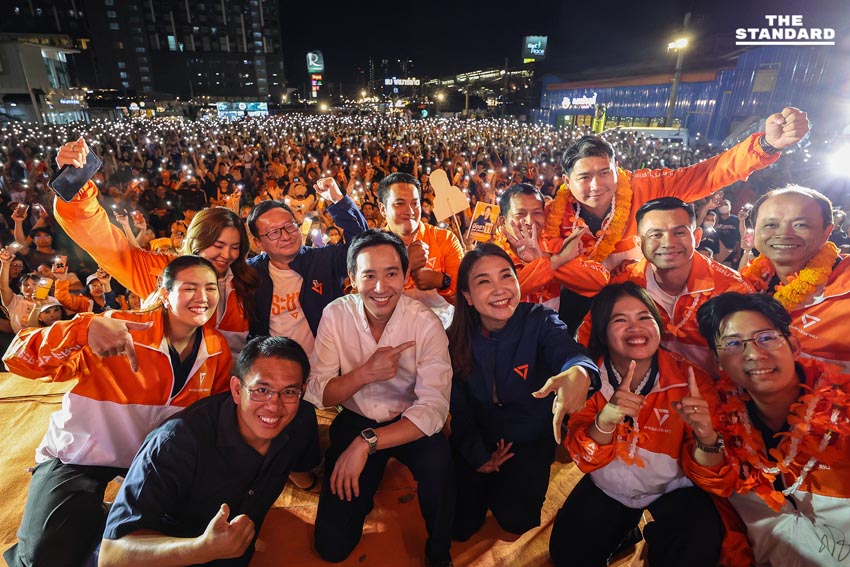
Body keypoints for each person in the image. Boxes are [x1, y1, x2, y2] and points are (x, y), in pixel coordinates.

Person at [2, 255, 232, 567]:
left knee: (184, 546)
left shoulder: (217, 349)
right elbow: (17, 357)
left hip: (152, 465)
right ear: (164, 295)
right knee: (43, 558)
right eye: (189, 288)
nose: (203, 298)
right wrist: (84, 330)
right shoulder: (118, 327)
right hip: (80, 458)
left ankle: (105, 515)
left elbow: (211, 420)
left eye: (210, 288)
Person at [547, 108, 808, 323]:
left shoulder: (645, 187)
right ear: (567, 181)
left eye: (604, 173)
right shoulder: (550, 217)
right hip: (575, 304)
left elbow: (706, 175)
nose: (597, 185)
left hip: (641, 303)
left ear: (617, 168)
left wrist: (765, 146)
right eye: (584, 177)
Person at [98, 336, 320, 567]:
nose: (274, 405)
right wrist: (202, 549)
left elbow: (293, 463)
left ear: (302, 391)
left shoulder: (300, 420)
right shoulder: (176, 443)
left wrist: (316, 485)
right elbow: (112, 555)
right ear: (236, 389)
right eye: (261, 389)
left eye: (289, 392)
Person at [304, 230, 455, 567]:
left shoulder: (425, 324)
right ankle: (362, 496)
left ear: (405, 276)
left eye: (391, 274)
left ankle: (439, 551)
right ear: (352, 279)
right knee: (332, 546)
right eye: (369, 275)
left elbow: (433, 408)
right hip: (356, 417)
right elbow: (320, 393)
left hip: (409, 422)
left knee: (440, 467)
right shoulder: (335, 315)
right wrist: (366, 373)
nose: (381, 287)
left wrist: (365, 444)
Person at [551, 282, 723, 567]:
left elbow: (712, 475)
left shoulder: (691, 381)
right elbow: (585, 459)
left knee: (697, 547)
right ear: (603, 333)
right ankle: (625, 532)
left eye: (644, 317)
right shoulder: (590, 380)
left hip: (673, 489)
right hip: (608, 487)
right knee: (566, 555)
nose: (635, 328)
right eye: (620, 320)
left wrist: (707, 437)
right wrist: (604, 421)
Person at [446, 244, 598, 541]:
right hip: (476, 434)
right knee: (460, 527)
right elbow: (459, 409)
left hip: (527, 438)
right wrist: (478, 455)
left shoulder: (539, 320)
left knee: (517, 522)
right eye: (484, 281)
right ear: (467, 296)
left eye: (507, 276)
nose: (500, 289)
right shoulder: (456, 338)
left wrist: (580, 370)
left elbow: (568, 351)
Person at [52, 139, 258, 355]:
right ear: (197, 242)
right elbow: (100, 238)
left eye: (235, 247)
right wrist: (76, 186)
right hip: (173, 383)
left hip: (233, 381)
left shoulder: (249, 279)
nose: (227, 255)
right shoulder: (160, 271)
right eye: (218, 245)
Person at [689, 292, 850, 566]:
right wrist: (706, 438)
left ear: (794, 345)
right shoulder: (720, 415)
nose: (753, 354)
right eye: (733, 344)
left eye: (766, 338)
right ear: (717, 362)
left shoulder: (842, 407)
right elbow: (713, 486)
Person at [579, 197, 753, 372]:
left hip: (717, 396)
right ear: (639, 243)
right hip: (642, 394)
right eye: (656, 234)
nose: (669, 243)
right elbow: (589, 339)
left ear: (697, 237)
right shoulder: (623, 283)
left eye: (679, 233)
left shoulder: (733, 290)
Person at [245, 177, 368, 349]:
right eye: (274, 233)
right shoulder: (249, 273)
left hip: (330, 366)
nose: (286, 236)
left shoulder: (324, 260)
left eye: (290, 226)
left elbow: (364, 246)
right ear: (258, 242)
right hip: (278, 370)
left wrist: (338, 201)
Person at [740, 186, 850, 373]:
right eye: (770, 225)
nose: (784, 234)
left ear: (827, 232)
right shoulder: (744, 283)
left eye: (801, 225)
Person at [494, 183, 607, 328]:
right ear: (503, 221)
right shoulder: (491, 256)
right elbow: (505, 293)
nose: (530, 221)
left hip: (550, 339)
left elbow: (599, 280)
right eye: (520, 214)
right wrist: (554, 261)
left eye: (537, 213)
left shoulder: (555, 247)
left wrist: (544, 257)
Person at [378, 172, 464, 326]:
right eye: (399, 203)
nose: (410, 211)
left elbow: (465, 299)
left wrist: (442, 281)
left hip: (442, 335)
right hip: (388, 337)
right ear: (383, 209)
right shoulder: (371, 247)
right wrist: (406, 266)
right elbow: (362, 302)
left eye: (414, 203)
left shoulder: (445, 239)